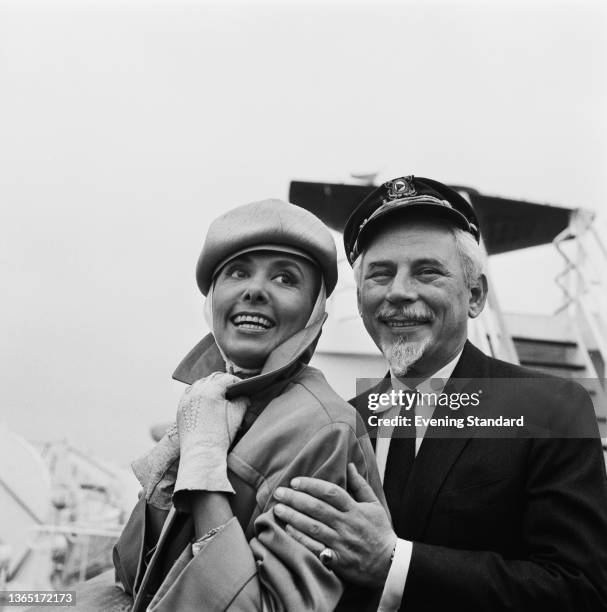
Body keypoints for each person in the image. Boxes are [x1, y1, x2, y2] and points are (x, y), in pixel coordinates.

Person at [273, 176, 607, 611]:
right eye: (380, 274)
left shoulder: (552, 409)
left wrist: (395, 564)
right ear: (359, 301)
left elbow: (581, 592)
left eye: (427, 271)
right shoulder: (338, 422)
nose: (398, 292)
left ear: (475, 296)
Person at [109, 199, 386, 611]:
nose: (254, 289)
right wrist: (169, 475)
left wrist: (202, 473)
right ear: (213, 296)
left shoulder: (323, 429)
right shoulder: (212, 401)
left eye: (285, 278)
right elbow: (131, 576)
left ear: (314, 311)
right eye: (238, 271)